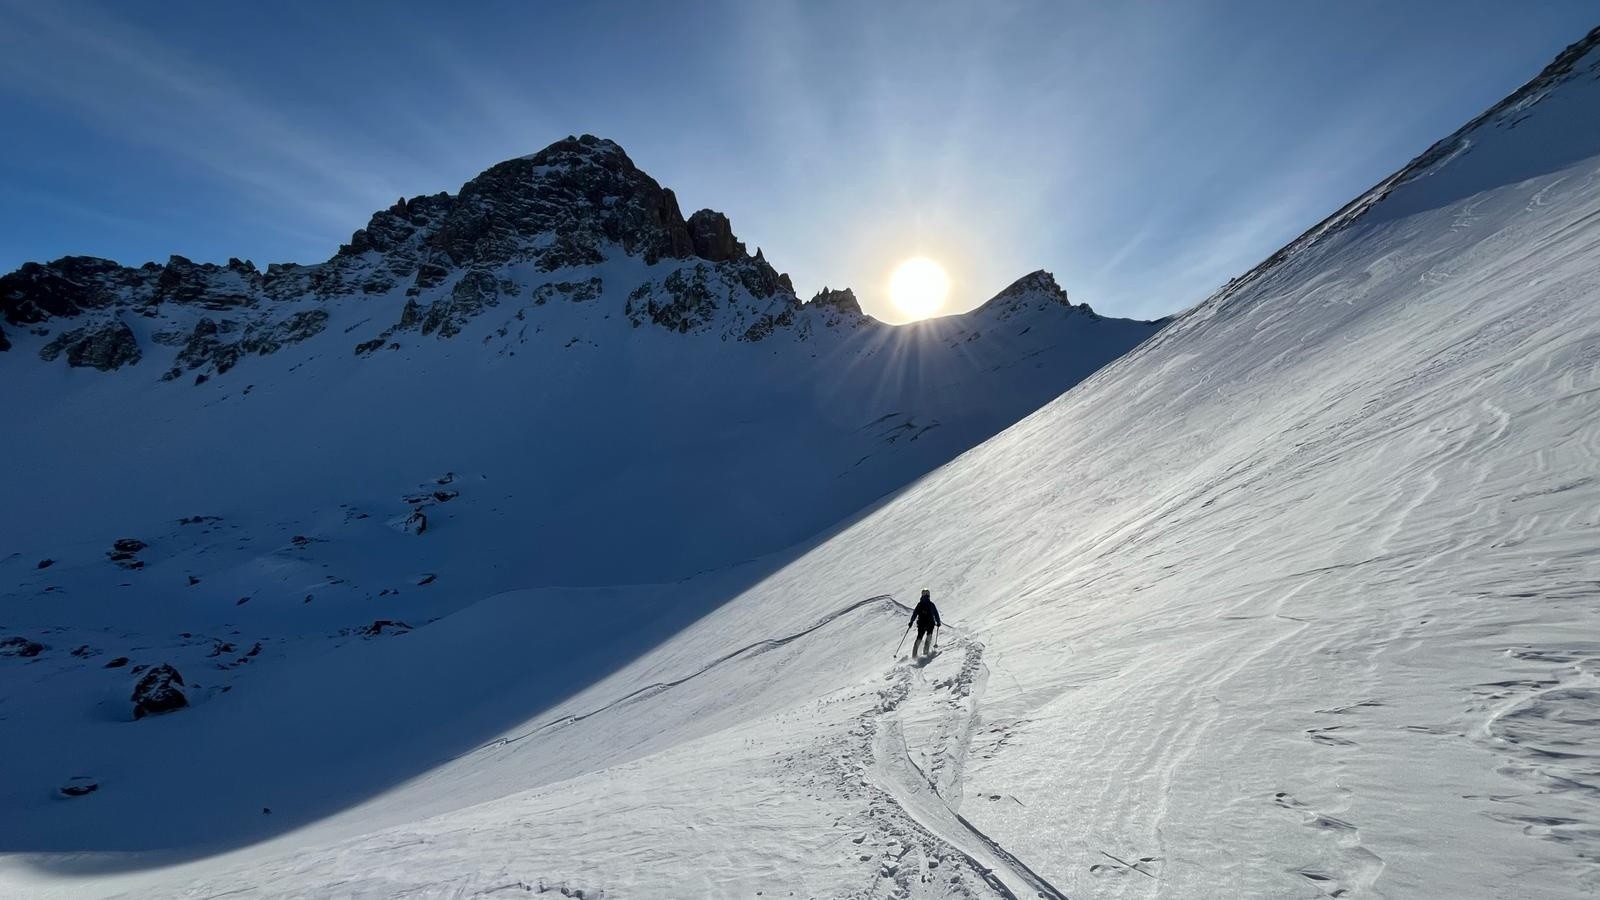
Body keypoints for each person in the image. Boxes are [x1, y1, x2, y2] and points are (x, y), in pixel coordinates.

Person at [909, 588, 942, 657]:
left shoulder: (919, 604)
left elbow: (914, 614)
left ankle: (914, 655)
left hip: (921, 624)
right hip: (930, 623)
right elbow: (936, 614)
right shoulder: (931, 604)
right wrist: (938, 622)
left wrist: (911, 622)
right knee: (928, 637)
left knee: (919, 637)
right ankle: (925, 652)